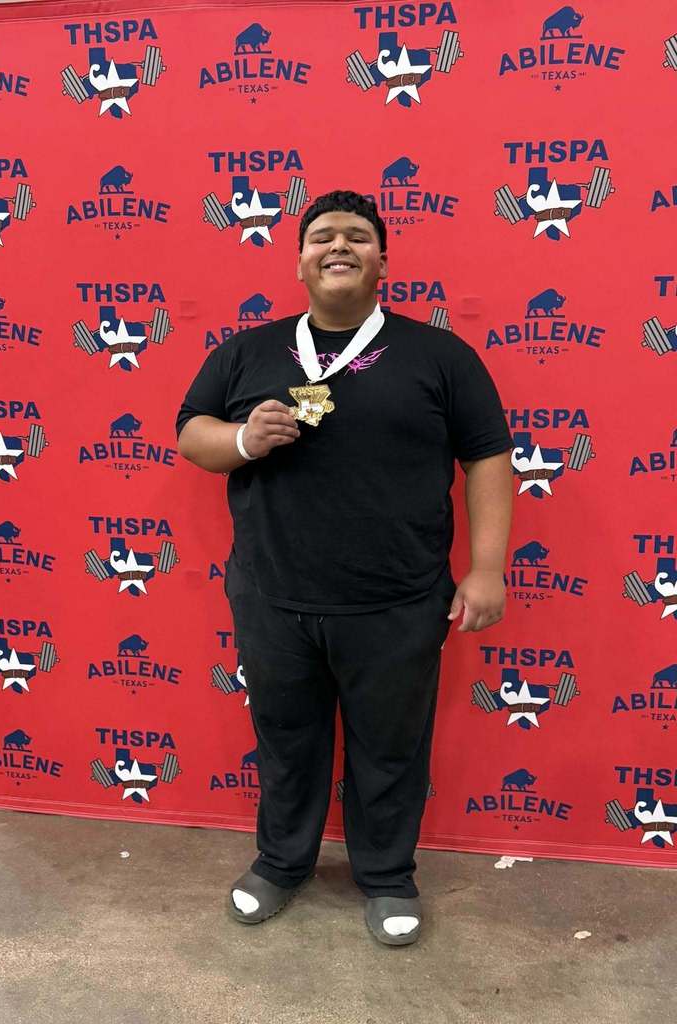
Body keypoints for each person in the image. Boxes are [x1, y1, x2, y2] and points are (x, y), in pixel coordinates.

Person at [175, 191, 514, 946]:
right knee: (286, 739)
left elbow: (488, 456)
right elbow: (190, 434)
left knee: (390, 748)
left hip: (397, 601)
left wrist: (486, 568)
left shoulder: (440, 356)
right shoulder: (247, 352)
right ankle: (279, 864)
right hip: (273, 596)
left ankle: (388, 875)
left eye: (357, 237)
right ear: (298, 259)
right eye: (322, 235)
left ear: (382, 261)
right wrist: (240, 441)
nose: (339, 246)